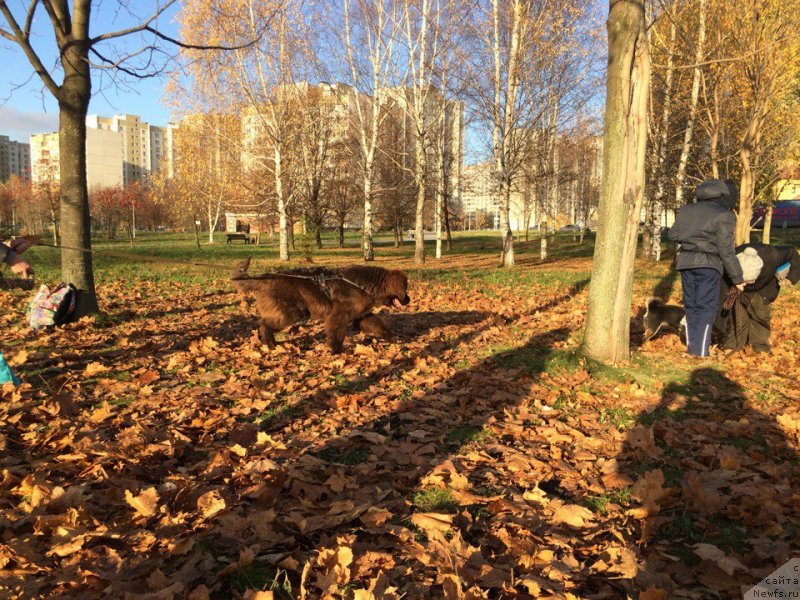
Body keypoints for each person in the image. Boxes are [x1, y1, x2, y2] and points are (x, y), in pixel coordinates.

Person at [668, 179, 745, 358]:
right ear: (722, 195)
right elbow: (727, 251)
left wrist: (691, 238)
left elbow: (672, 234)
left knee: (692, 306)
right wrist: (738, 279)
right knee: (706, 308)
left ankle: (693, 348)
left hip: (686, 263)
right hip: (708, 265)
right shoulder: (724, 215)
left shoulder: (687, 210)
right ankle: (701, 353)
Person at [717, 243, 800, 354]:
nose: (748, 284)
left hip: (765, 284)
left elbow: (792, 252)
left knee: (760, 313)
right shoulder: (729, 264)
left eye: (750, 281)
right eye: (745, 281)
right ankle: (733, 345)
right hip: (736, 286)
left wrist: (791, 276)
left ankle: (760, 347)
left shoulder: (772, 255)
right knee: (737, 315)